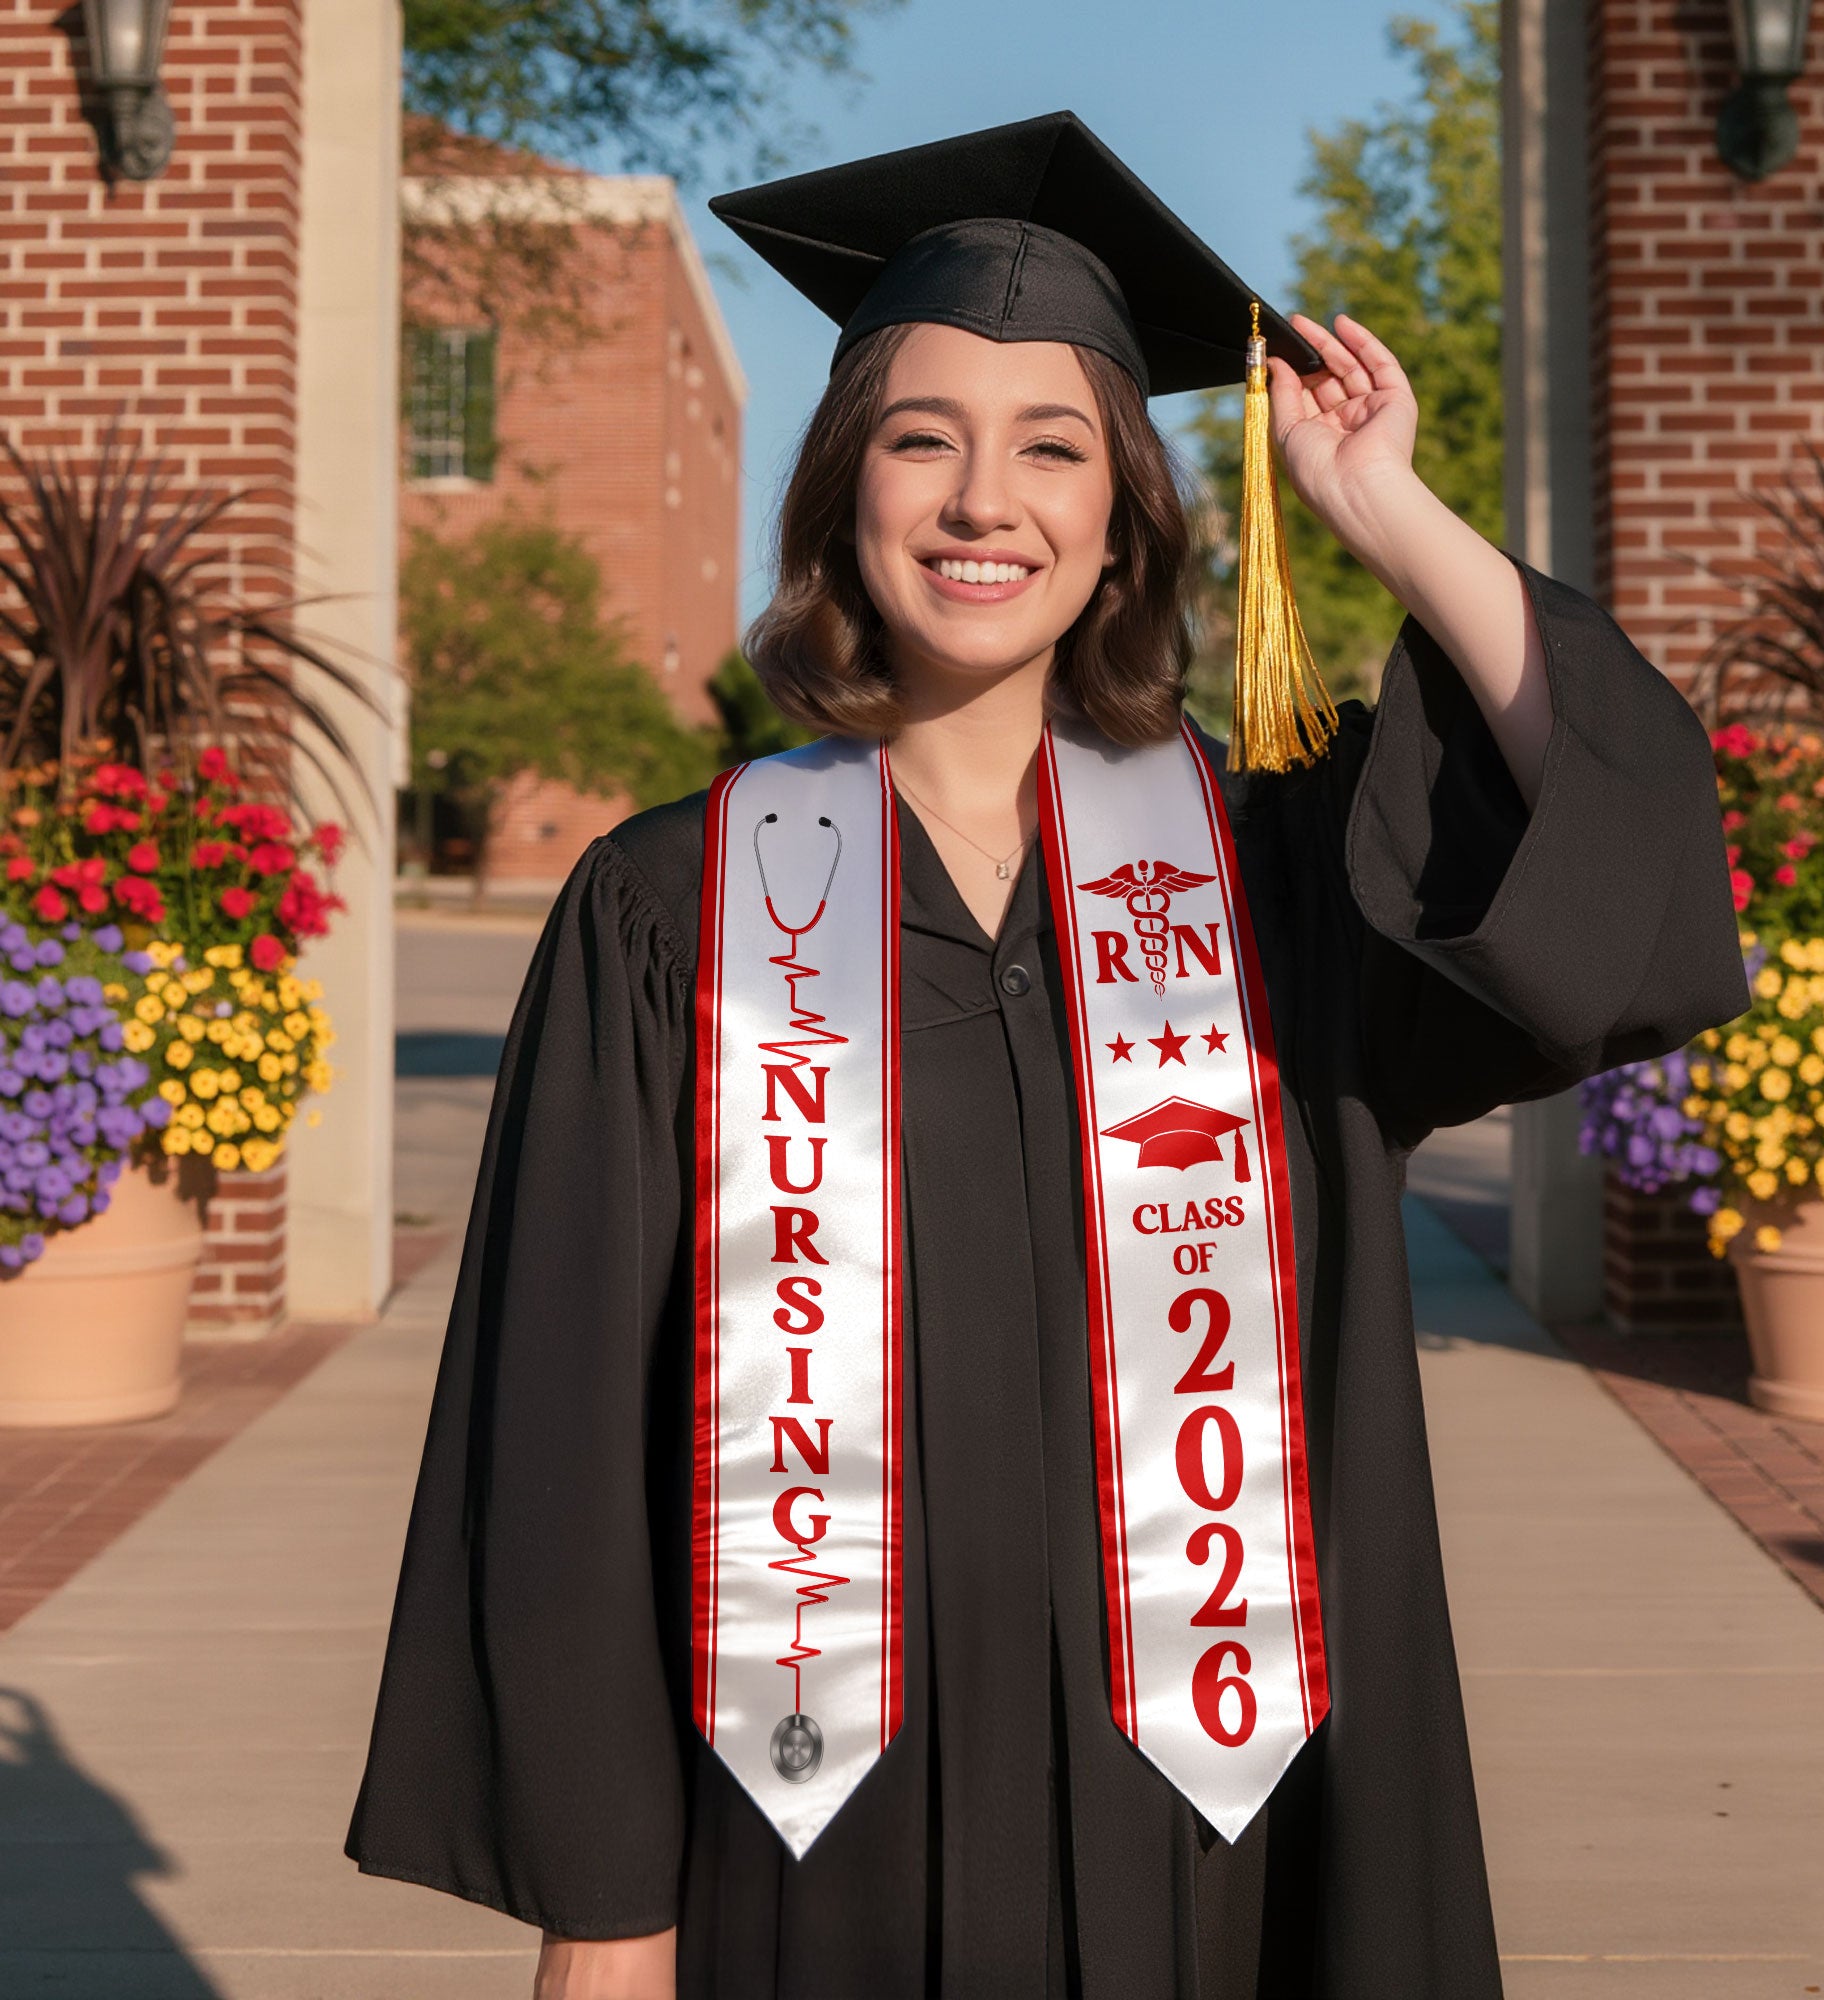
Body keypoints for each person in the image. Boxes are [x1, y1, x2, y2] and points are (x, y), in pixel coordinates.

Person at [345, 113, 1749, 1999]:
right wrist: (605, 1907)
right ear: (847, 489)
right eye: (923, 439)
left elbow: (1613, 855)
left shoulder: (1276, 884)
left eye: (1052, 448)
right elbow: (567, 1432)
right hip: (809, 1841)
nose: (981, 500)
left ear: (1121, 522)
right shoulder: (671, 910)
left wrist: (1383, 509)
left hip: (1225, 1840)